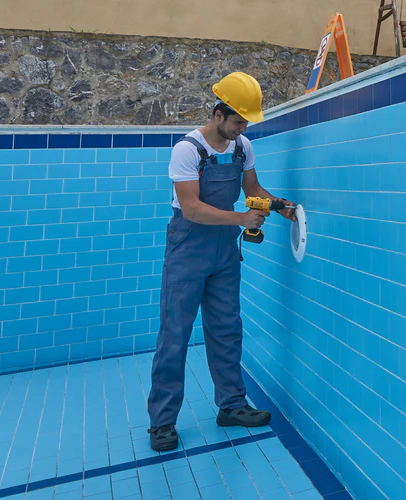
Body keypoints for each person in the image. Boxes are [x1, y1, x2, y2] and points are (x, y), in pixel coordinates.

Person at [147, 72, 296, 452]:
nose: (243, 128)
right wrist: (241, 219)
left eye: (245, 122)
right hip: (188, 245)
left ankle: (231, 405)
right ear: (218, 114)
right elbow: (193, 209)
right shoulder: (187, 150)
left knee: (227, 328)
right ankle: (162, 422)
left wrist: (278, 206)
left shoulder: (242, 146)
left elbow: (252, 191)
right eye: (238, 121)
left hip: (224, 251)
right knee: (175, 334)